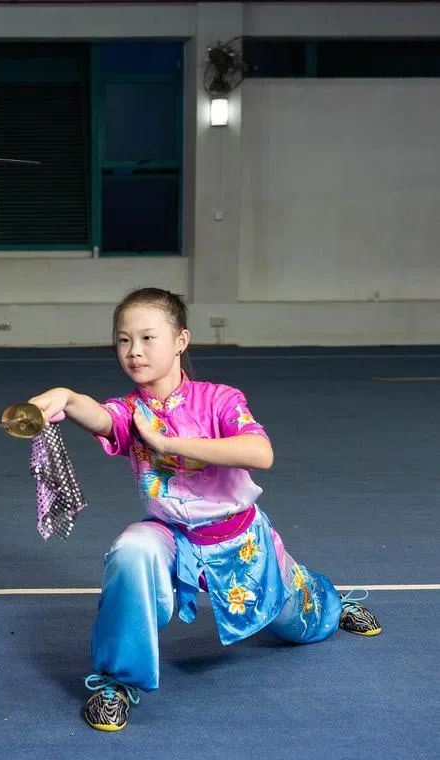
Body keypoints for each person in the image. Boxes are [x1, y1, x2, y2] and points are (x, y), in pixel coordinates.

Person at [28, 287, 381, 732]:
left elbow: (260, 452)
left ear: (181, 340)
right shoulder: (130, 409)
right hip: (171, 535)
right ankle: (116, 682)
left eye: (147, 338)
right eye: (123, 340)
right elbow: (100, 416)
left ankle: (330, 601)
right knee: (131, 550)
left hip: (239, 541)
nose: (134, 352)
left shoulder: (219, 399)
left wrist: (166, 443)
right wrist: (64, 396)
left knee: (301, 622)